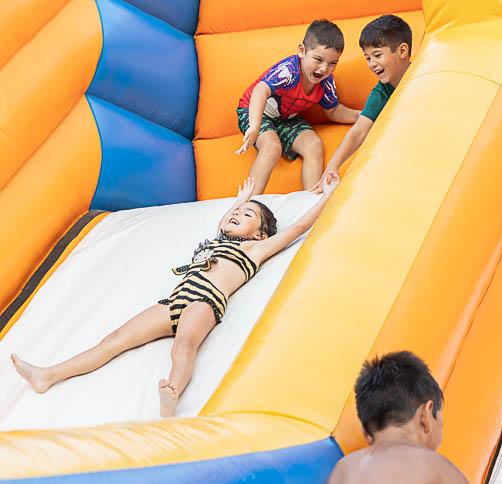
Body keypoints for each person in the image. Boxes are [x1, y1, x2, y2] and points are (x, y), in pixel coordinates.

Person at [11, 175, 340, 417]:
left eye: (247, 215)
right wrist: (243, 199)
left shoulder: (255, 249)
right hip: (174, 300)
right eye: (237, 211)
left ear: (259, 233)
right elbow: (225, 220)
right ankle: (49, 374)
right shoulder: (217, 239)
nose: (237, 215)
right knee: (113, 340)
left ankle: (172, 395)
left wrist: (328, 196)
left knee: (184, 346)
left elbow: (297, 229)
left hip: (204, 300)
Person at [236, 19, 360, 194]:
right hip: (255, 111)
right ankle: (247, 203)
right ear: (302, 51)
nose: (324, 68)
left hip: (286, 118)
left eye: (333, 63)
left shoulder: (326, 83)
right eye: (318, 59)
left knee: (314, 144)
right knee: (272, 147)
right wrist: (255, 126)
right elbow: (260, 90)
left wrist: (359, 116)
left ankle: (311, 201)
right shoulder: (289, 71)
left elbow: (333, 110)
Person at [328, 351, 468, 484]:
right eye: (441, 423)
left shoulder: (344, 469)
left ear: (366, 432)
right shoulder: (436, 467)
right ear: (426, 415)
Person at [312, 15, 412, 193]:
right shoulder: (381, 92)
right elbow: (358, 131)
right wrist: (332, 167)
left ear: (402, 51)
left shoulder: (422, 75)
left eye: (377, 55)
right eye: (367, 58)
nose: (372, 64)